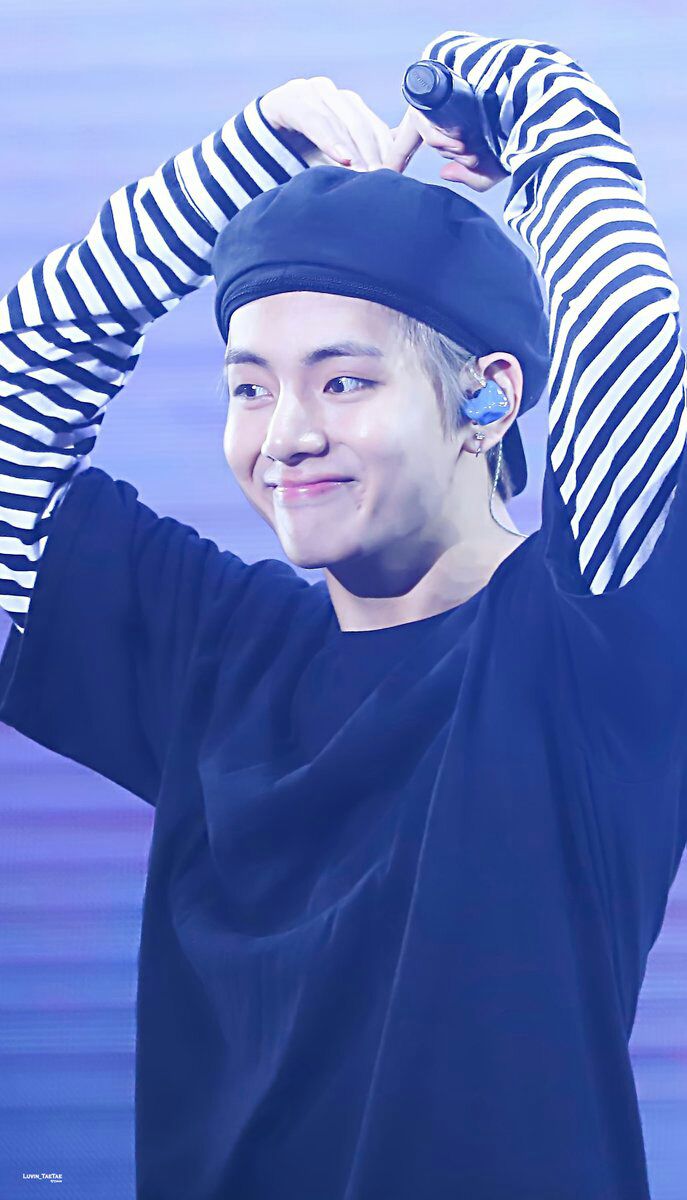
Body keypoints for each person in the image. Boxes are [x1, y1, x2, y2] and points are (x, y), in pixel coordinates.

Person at [0, 24, 685, 1200]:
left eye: (344, 380)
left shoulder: (587, 641)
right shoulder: (217, 654)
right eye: (249, 387)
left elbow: (632, 344)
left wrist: (536, 99)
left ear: (488, 398)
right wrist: (240, 169)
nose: (285, 436)